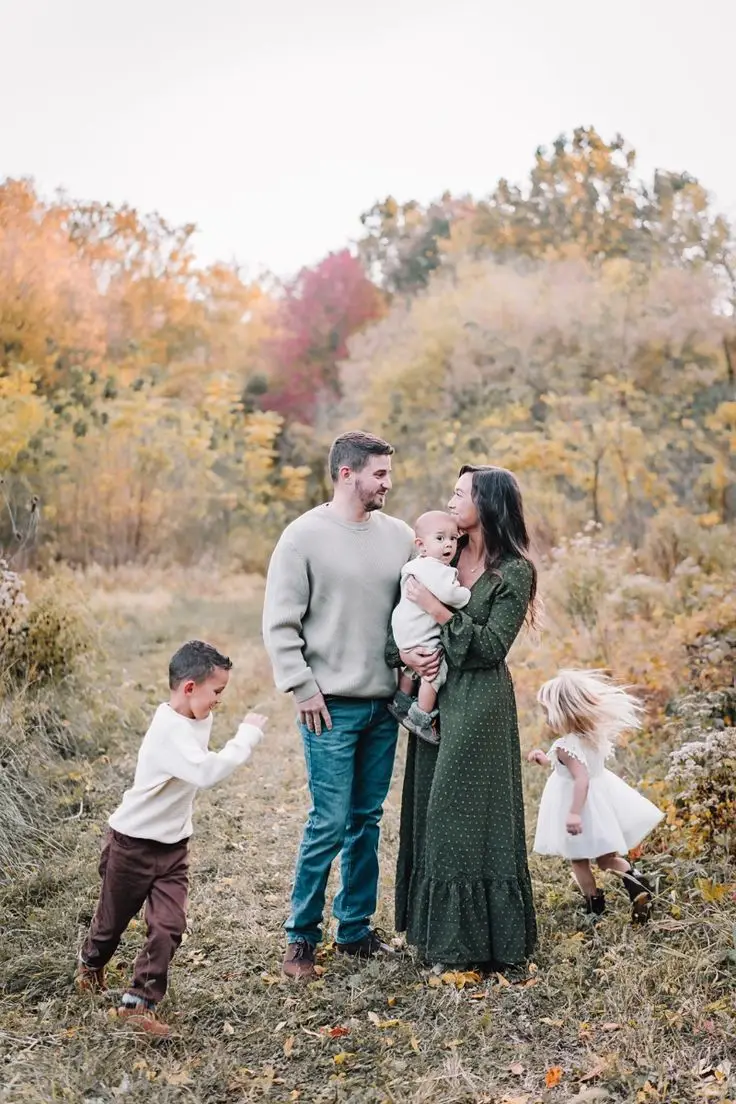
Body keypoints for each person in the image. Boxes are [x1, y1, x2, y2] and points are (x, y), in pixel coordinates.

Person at [262, 430, 425, 980]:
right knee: (328, 822)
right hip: (327, 706)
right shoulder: (303, 537)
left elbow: (421, 601)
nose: (388, 483)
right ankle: (301, 939)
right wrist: (301, 685)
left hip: (384, 706)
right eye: (379, 473)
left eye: (389, 473)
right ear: (346, 474)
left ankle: (354, 929)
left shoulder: (400, 536)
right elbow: (280, 622)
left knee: (366, 820)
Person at [76, 640, 268, 1037]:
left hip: (174, 847)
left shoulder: (196, 715)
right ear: (189, 688)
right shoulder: (168, 731)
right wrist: (246, 737)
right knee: (110, 926)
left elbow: (198, 755)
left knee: (168, 925)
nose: (219, 702)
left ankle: (138, 1004)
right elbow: (206, 773)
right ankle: (91, 964)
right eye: (217, 692)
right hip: (132, 844)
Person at [394, 465, 539, 971]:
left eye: (462, 494)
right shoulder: (442, 554)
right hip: (439, 696)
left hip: (479, 702)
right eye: (452, 492)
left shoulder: (513, 572)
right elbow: (404, 619)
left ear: (489, 504)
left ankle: (479, 944)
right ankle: (439, 938)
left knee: (465, 815)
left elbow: (492, 647)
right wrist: (407, 656)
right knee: (432, 809)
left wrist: (438, 611)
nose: (452, 501)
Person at [528, 668, 662, 923]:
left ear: (564, 712)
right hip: (601, 806)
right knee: (607, 858)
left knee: (578, 860)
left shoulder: (566, 745)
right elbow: (569, 766)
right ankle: (637, 882)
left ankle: (594, 907)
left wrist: (574, 813)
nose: (546, 719)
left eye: (547, 713)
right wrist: (544, 759)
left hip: (580, 808)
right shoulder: (589, 738)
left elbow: (581, 778)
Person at [389, 510, 471, 745]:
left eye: (453, 538)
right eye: (440, 538)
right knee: (433, 673)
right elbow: (449, 594)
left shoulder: (416, 565)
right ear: (421, 545)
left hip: (404, 631)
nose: (448, 544)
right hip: (421, 631)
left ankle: (401, 700)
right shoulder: (436, 569)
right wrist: (465, 594)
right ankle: (421, 718)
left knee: (411, 668)